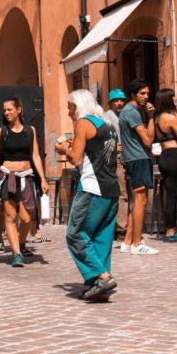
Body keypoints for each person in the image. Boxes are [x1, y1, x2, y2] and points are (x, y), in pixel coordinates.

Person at [55, 89, 120, 302]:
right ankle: (98, 286)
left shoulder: (82, 123)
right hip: (111, 188)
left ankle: (103, 277)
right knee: (101, 238)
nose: (69, 113)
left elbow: (75, 159)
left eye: (70, 108)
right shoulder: (107, 124)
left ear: (79, 106)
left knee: (76, 234)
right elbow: (95, 153)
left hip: (93, 187)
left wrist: (64, 149)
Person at [0, 98, 48, 267]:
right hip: (8, 177)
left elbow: (36, 156)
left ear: (18, 110)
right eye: (4, 110)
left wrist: (43, 178)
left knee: (26, 218)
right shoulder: (2, 131)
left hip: (27, 177)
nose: (6, 113)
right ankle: (16, 254)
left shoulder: (30, 131)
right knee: (10, 216)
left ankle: (21, 243)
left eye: (9, 109)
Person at [119, 80, 158, 256]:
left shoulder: (129, 111)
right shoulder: (132, 112)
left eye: (147, 93)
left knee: (137, 201)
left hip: (135, 158)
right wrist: (151, 117)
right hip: (139, 158)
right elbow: (148, 140)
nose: (146, 97)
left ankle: (128, 242)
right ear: (133, 95)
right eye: (142, 93)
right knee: (141, 201)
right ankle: (137, 243)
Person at [153, 88, 177, 243]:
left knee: (169, 193)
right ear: (168, 100)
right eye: (174, 97)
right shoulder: (171, 118)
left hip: (164, 156)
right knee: (172, 195)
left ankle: (171, 229)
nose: (176, 99)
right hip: (173, 156)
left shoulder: (157, 118)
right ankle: (170, 231)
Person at [103, 89, 130, 240]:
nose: (119, 103)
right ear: (110, 103)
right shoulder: (108, 117)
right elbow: (102, 138)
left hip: (123, 159)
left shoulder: (122, 116)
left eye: (122, 100)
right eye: (116, 101)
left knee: (120, 194)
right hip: (115, 160)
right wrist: (113, 147)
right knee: (121, 194)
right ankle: (121, 230)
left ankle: (119, 227)